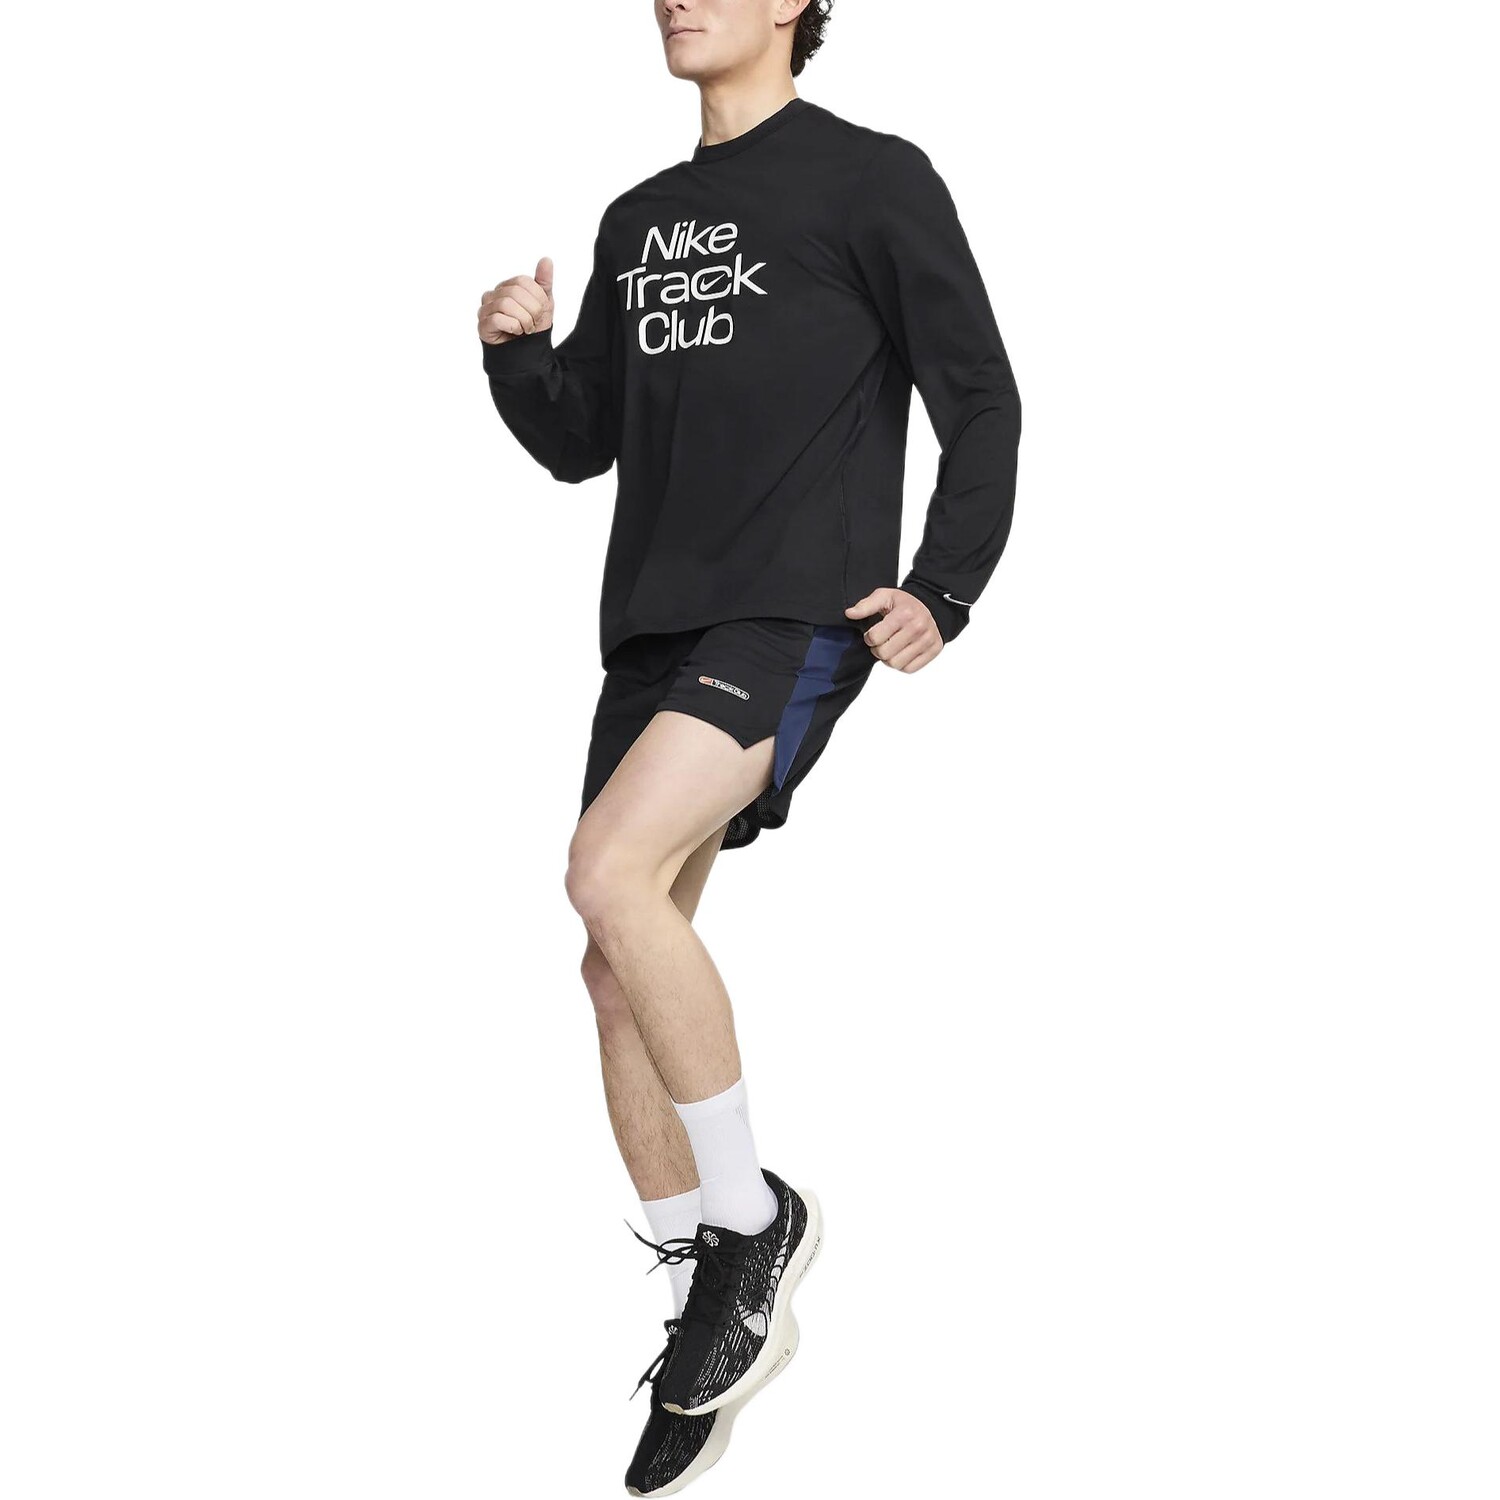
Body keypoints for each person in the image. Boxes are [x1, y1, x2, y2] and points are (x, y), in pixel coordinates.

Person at [477, 2, 1021, 1492]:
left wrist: (946, 584)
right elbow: (583, 440)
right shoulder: (639, 218)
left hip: (792, 608)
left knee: (604, 871)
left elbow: (980, 394)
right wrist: (518, 358)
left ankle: (755, 1224)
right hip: (652, 626)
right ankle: (700, 1281)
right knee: (613, 964)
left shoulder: (872, 178)